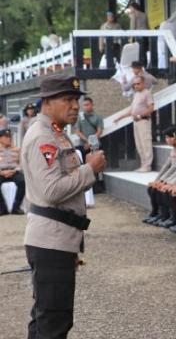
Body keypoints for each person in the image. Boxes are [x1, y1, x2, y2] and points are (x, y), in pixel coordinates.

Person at [22, 74, 106, 339]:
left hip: (58, 238)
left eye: (76, 100)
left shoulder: (56, 133)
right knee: (53, 323)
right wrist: (89, 170)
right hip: (50, 239)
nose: (74, 106)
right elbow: (51, 191)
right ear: (47, 102)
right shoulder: (43, 137)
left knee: (47, 319)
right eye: (67, 99)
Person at [114, 75, 155, 172]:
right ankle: (143, 164)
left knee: (145, 143)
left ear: (143, 83)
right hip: (135, 121)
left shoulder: (147, 93)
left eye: (138, 84)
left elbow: (151, 108)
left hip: (143, 120)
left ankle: (147, 165)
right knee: (139, 144)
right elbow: (131, 110)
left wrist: (140, 115)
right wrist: (119, 118)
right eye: (134, 84)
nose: (136, 86)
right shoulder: (136, 95)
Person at [0, 128, 25, 215]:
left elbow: (22, 163)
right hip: (1, 172)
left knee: (22, 181)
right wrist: (1, 172)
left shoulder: (17, 149)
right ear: (0, 138)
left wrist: (14, 171)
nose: (9, 139)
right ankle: (2, 208)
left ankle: (16, 207)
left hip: (14, 171)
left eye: (10, 137)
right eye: (6, 137)